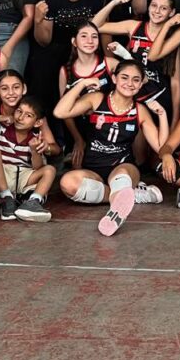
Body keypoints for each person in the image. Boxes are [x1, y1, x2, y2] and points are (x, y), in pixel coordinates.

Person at [54, 60, 168, 236]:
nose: (130, 83)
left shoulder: (140, 110)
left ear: (140, 84)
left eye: (136, 80)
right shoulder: (97, 99)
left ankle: (114, 213)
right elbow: (60, 112)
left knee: (122, 176)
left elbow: (160, 147)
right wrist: (82, 84)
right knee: (67, 183)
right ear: (114, 78)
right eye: (124, 77)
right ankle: (132, 195)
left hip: (123, 167)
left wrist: (162, 114)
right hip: (93, 170)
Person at [28, 0, 97, 131]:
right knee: (43, 88)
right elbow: (44, 41)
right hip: (50, 46)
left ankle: (73, 137)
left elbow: (93, 29)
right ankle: (42, 132)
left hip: (77, 47)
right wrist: (38, 20)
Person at [93, 0, 180, 122]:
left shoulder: (173, 38)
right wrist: (114, 2)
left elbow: (175, 83)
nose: (157, 11)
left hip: (159, 99)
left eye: (163, 8)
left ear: (172, 12)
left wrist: (175, 120)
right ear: (148, 6)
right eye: (154, 5)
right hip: (131, 96)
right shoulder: (134, 26)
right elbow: (95, 26)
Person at [0, 94, 57, 222]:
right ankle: (6, 198)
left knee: (50, 170)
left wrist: (34, 150)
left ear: (38, 123)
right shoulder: (0, 130)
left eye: (28, 115)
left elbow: (37, 168)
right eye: (19, 111)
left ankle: (33, 203)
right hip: (0, 177)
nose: (21, 117)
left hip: (22, 178)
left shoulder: (35, 139)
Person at [58, 19, 118, 168]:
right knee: (77, 168)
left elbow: (136, 76)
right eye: (84, 36)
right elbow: (65, 112)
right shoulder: (65, 71)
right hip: (82, 130)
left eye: (94, 36)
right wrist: (78, 140)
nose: (90, 41)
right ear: (74, 41)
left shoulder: (109, 63)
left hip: (110, 127)